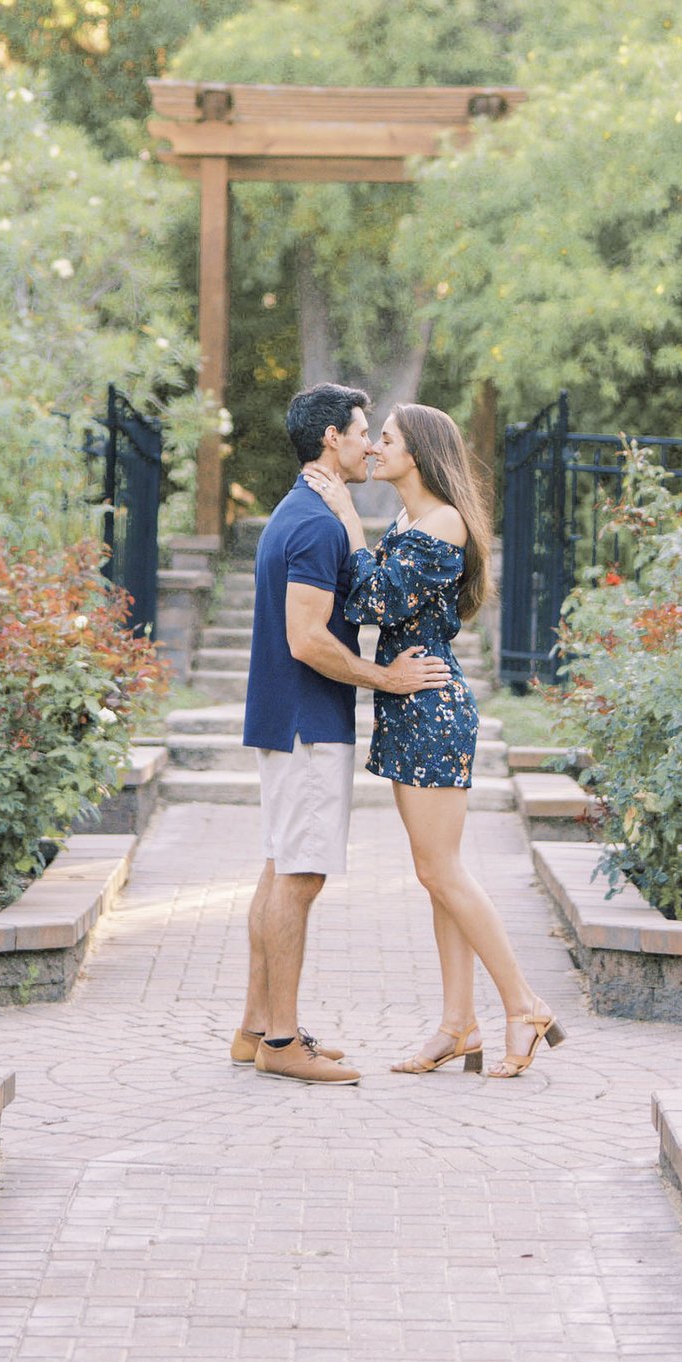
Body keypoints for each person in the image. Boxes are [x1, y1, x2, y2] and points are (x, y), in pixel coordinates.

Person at [302, 402, 569, 1079]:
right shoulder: (409, 520)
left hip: (431, 703)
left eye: (384, 438)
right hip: (407, 700)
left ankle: (525, 1003)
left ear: (416, 450)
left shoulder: (443, 520)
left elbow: (373, 602)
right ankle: (458, 1025)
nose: (374, 449)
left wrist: (345, 519)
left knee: (440, 870)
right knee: (437, 876)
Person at [236, 381, 452, 1084]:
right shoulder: (317, 522)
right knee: (298, 878)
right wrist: (386, 677)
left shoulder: (307, 511)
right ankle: (280, 1043)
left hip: (290, 718)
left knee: (280, 870)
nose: (369, 444)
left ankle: (256, 1028)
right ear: (333, 436)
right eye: (364, 431)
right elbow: (307, 638)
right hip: (307, 722)